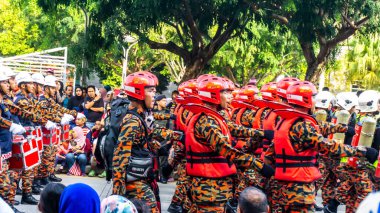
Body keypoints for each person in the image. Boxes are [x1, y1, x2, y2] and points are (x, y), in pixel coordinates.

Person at [264, 81, 378, 212]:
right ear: (306, 100)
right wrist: (363, 151)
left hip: (281, 188)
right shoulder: (301, 125)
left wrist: (343, 128)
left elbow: (269, 155)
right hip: (298, 190)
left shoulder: (285, 121)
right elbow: (327, 147)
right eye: (313, 97)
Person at [112, 71, 184, 212]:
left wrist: (178, 135)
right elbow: (120, 155)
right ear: (139, 93)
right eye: (151, 91)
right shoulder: (132, 121)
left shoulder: (141, 116)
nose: (154, 95)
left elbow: (153, 132)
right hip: (134, 183)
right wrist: (118, 191)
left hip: (143, 178)